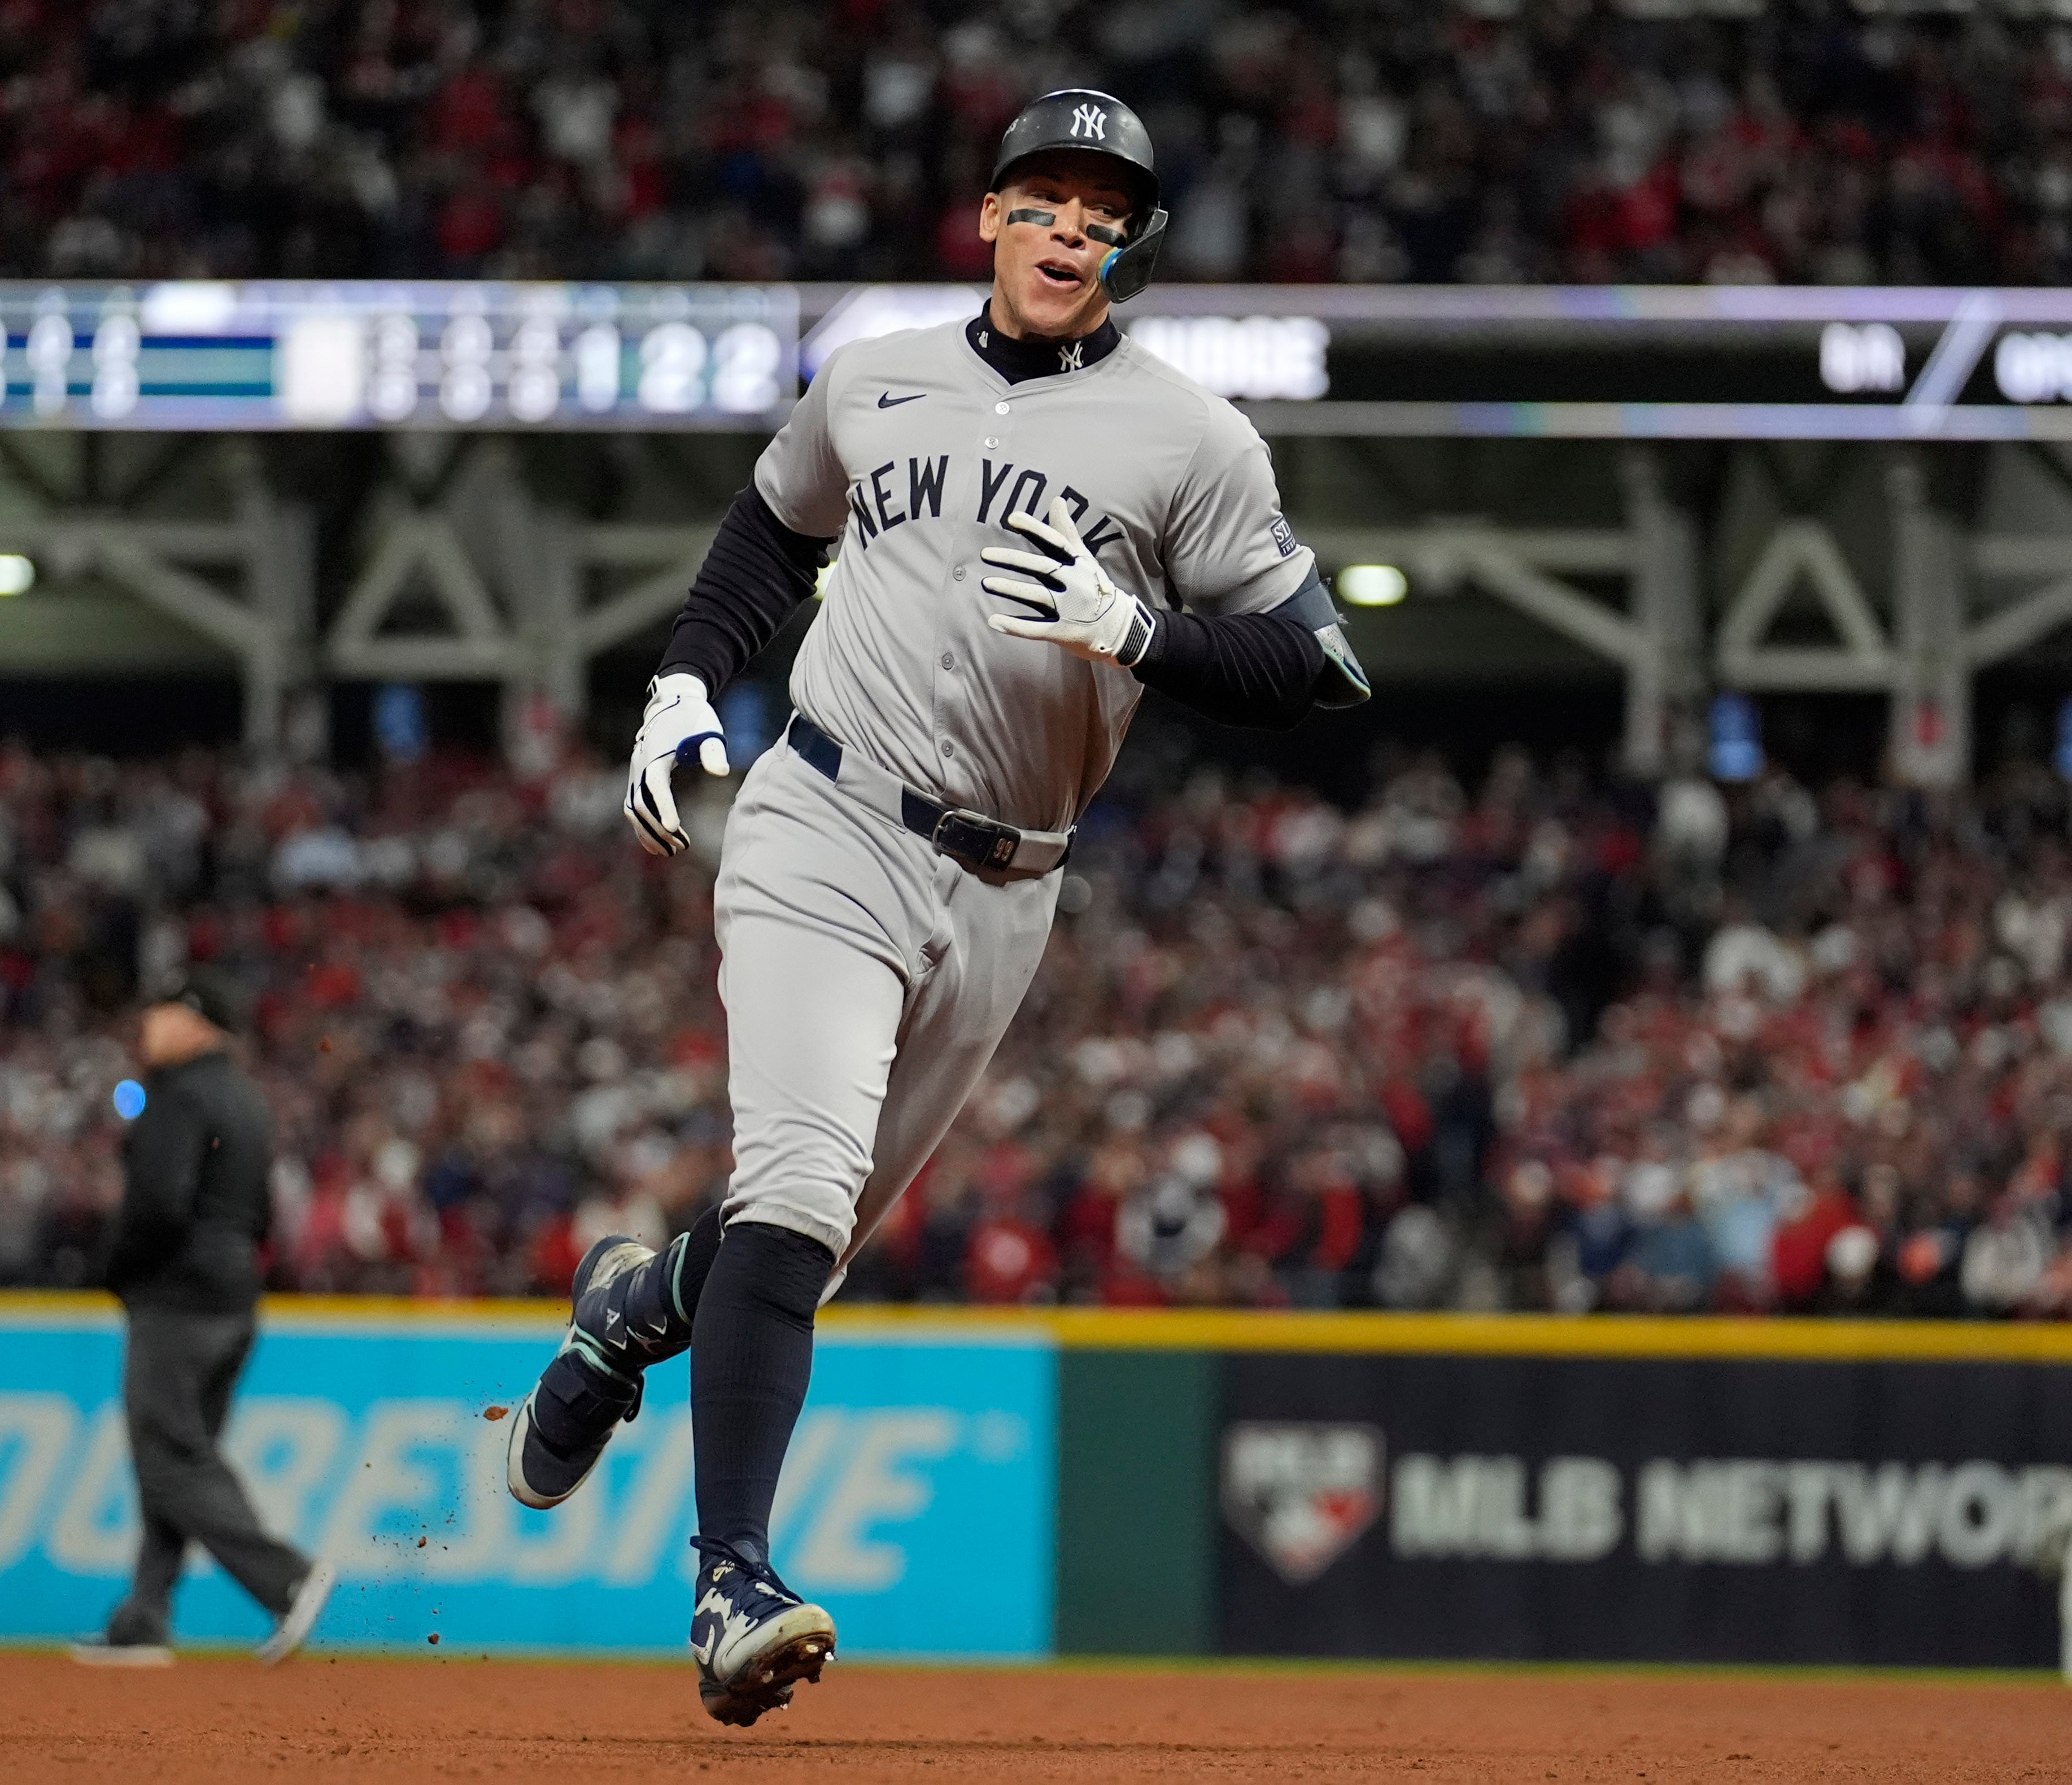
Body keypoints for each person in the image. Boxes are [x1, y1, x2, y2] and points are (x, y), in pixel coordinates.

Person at [501, 89, 1368, 1726]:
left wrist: (1145, 634)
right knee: (798, 1190)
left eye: (1100, 209)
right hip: (825, 813)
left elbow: (1320, 665)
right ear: (988, 217)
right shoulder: (876, 375)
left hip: (1010, 882)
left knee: (801, 1239)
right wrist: (683, 678)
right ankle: (730, 1579)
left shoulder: (1190, 438)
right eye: (1041, 197)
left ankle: (634, 1307)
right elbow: (770, 531)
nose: (1067, 227)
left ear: (1129, 245)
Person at [70, 967, 335, 1667]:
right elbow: (263, 1212)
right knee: (179, 1460)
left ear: (195, 1022)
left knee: (168, 1458)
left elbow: (158, 1204)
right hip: (234, 1298)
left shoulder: (179, 1093)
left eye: (161, 1012)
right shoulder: (247, 1099)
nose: (148, 1025)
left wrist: (112, 1267)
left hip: (177, 1298)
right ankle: (144, 1616)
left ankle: (286, 1578)